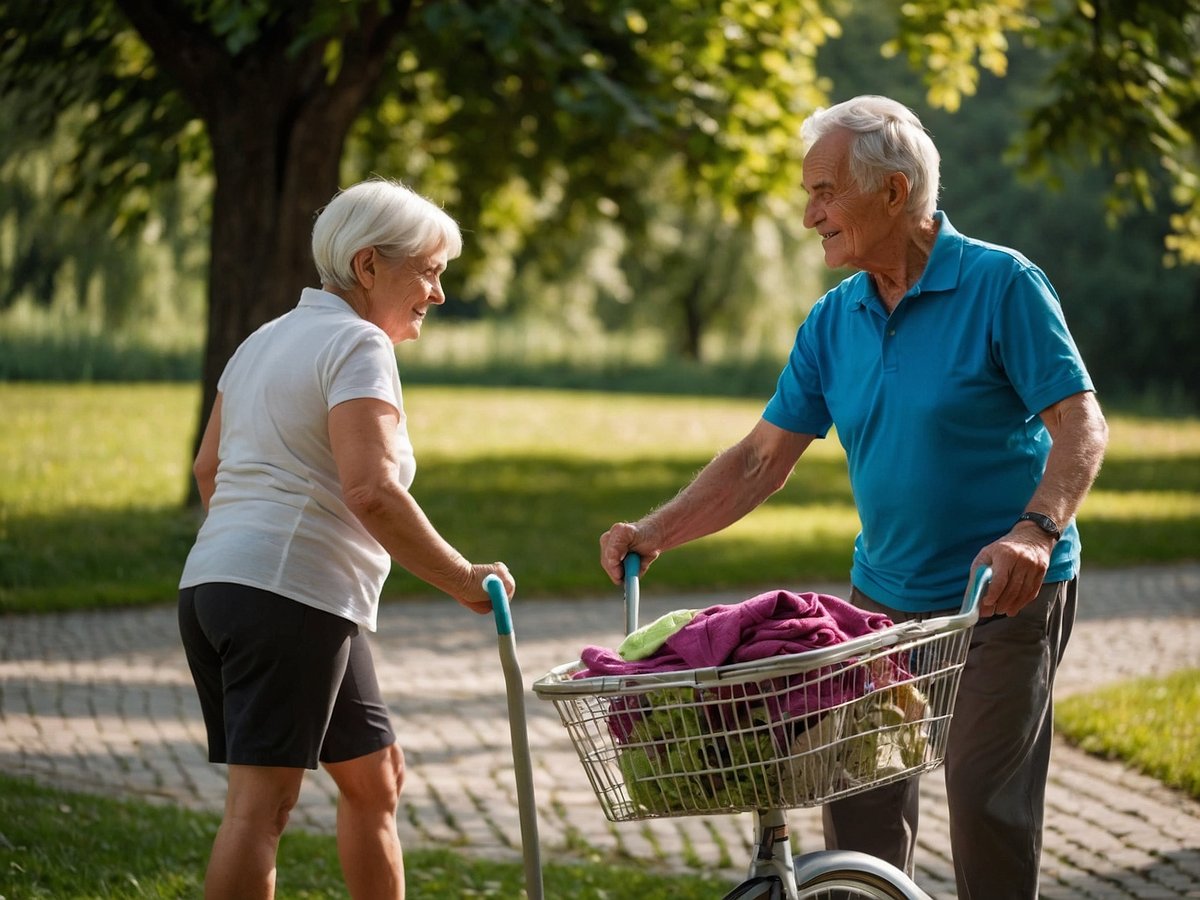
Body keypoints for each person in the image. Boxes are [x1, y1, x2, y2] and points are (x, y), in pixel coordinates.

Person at [599, 95, 1108, 899]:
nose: (809, 216)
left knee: (984, 801)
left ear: (895, 192)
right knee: (857, 805)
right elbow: (761, 461)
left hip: (1002, 597)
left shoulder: (1002, 284)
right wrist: (655, 530)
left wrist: (1038, 531)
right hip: (881, 602)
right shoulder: (834, 320)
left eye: (825, 192)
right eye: (810, 194)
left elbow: (1081, 422)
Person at [178, 177, 515, 900]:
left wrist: (248, 555)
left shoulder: (263, 340)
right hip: (286, 599)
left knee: (376, 777)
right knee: (260, 810)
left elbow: (209, 470)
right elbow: (371, 491)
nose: (439, 293)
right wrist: (462, 577)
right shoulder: (359, 343)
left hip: (224, 589)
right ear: (368, 266)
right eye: (428, 271)